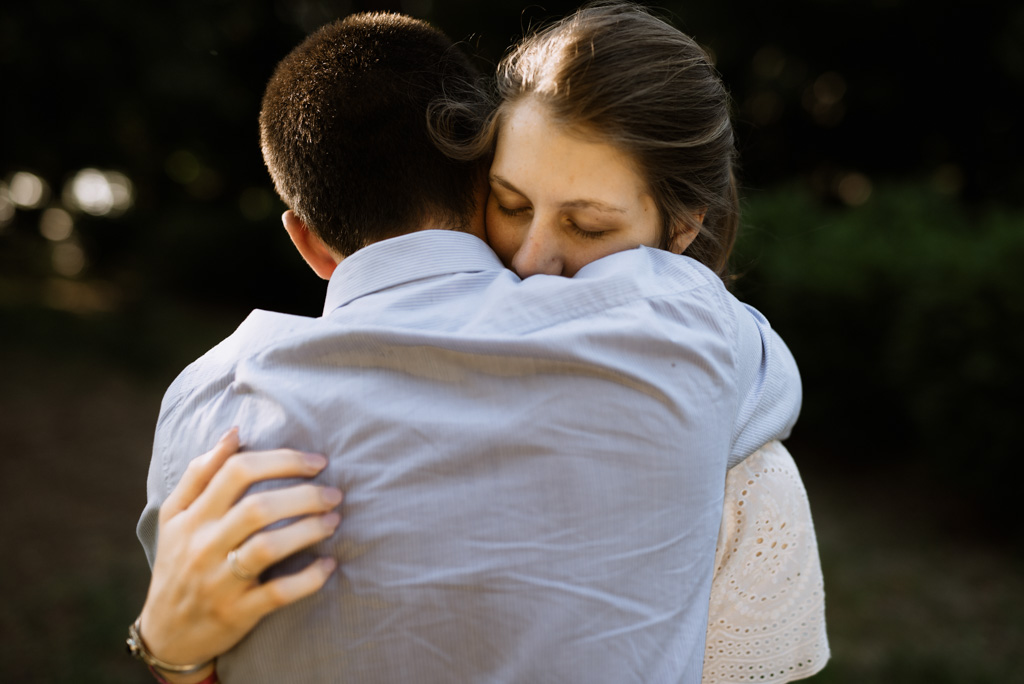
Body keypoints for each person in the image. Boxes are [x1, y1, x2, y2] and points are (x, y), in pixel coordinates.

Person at [132, 6, 818, 684]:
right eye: (512, 205)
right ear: (472, 179)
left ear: (681, 232)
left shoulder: (211, 400)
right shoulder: (704, 342)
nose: (531, 260)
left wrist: (168, 654)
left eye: (588, 228)